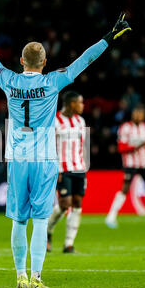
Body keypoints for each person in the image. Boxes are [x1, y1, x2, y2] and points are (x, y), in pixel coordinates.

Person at [0, 13, 131, 288]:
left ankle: (20, 276)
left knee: (18, 219)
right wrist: (110, 36)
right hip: (45, 159)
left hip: (17, 158)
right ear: (45, 63)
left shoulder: (8, 79)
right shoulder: (53, 82)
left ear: (22, 61)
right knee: (39, 220)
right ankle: (36, 278)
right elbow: (84, 60)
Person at [105, 105, 145, 229]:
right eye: (137, 113)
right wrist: (138, 145)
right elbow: (121, 147)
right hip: (130, 163)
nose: (139, 116)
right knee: (125, 189)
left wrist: (143, 148)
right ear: (133, 114)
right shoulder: (125, 128)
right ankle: (111, 216)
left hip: (144, 163)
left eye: (141, 114)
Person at [47, 91, 87, 253]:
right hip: (62, 169)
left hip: (79, 168)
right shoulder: (54, 120)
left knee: (77, 204)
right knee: (64, 205)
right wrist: (54, 169)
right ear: (72, 104)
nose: (82, 106)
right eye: (80, 102)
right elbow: (48, 146)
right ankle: (47, 231)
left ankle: (69, 244)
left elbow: (82, 146)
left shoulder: (80, 121)